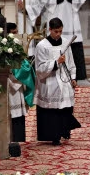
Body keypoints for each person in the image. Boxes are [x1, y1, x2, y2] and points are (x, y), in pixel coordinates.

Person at [34, 17, 81, 146]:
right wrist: (56, 63)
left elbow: (71, 62)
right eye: (56, 31)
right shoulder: (42, 46)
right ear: (49, 30)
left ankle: (64, 132)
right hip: (50, 82)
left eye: (60, 31)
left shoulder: (65, 43)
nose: (58, 34)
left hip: (64, 81)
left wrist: (73, 78)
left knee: (65, 108)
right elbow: (39, 68)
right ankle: (53, 136)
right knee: (53, 112)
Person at [41, 0, 87, 81]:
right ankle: (54, 72)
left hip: (71, 19)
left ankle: (77, 76)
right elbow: (44, 0)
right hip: (56, 15)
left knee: (74, 46)